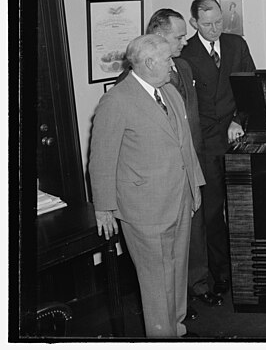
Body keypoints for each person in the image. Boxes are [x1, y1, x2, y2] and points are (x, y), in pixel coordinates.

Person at [90, 34, 205, 338]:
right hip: (144, 208)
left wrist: (195, 187)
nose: (173, 64)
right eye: (168, 59)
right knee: (156, 280)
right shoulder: (116, 101)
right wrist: (104, 208)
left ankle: (176, 330)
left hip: (178, 197)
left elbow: (185, 145)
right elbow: (101, 159)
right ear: (151, 63)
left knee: (177, 271)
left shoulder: (169, 91)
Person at [116, 9, 224, 308]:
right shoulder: (132, 82)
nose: (185, 41)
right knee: (170, 248)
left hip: (191, 162)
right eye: (178, 36)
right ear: (158, 37)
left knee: (197, 228)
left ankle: (197, 284)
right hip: (160, 181)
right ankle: (177, 303)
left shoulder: (183, 68)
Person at [180, 0, 256, 297]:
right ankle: (220, 273)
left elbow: (250, 87)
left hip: (237, 139)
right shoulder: (185, 53)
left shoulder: (237, 45)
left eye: (218, 22)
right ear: (194, 23)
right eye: (207, 24)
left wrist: (238, 119)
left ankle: (245, 270)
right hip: (207, 145)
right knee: (212, 213)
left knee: (242, 210)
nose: (214, 29)